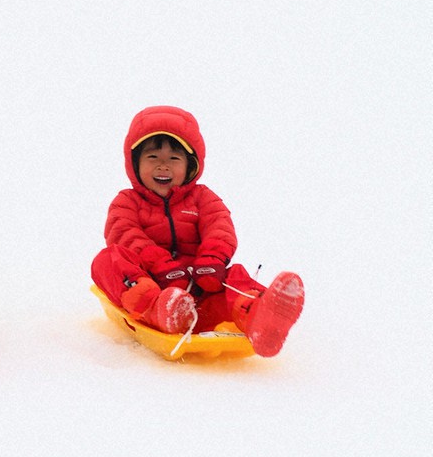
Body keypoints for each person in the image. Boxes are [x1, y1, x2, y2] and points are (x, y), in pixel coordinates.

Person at [91, 105, 304, 357]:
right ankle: (161, 310)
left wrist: (212, 261)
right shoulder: (126, 201)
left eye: (174, 158)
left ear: (190, 165)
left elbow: (220, 227)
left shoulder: (202, 198)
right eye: (152, 158)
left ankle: (258, 316)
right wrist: (160, 264)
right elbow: (124, 234)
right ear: (134, 163)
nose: (163, 166)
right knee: (107, 260)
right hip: (152, 288)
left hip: (201, 286)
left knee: (235, 275)